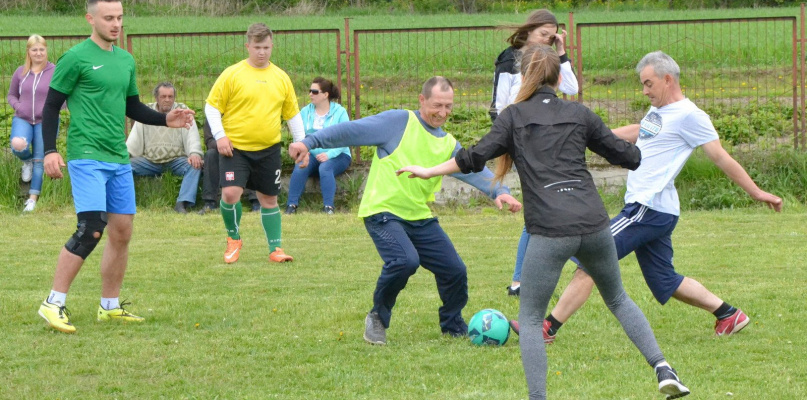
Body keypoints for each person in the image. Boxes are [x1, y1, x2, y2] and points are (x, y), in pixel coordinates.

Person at [398, 46, 690, 400]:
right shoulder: (579, 113)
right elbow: (630, 157)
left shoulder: (513, 116)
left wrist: (429, 170)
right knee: (618, 299)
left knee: (533, 320)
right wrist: (649, 132)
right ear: (556, 78)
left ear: (525, 76)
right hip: (594, 224)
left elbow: (473, 158)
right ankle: (663, 367)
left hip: (551, 231)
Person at [527, 50, 784, 344]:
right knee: (664, 280)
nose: (644, 90)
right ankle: (728, 314)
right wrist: (591, 134)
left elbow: (720, 157)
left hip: (647, 208)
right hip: (657, 210)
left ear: (667, 79)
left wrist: (757, 192)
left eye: (648, 84)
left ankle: (546, 328)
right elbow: (640, 131)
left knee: (591, 256)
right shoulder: (659, 111)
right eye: (643, 84)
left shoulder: (690, 116)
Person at [289, 76, 522, 346]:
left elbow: (470, 167)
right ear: (422, 100)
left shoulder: (447, 142)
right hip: (382, 212)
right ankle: (377, 317)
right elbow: (349, 130)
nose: (443, 113)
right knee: (405, 261)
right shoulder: (397, 122)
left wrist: (500, 191)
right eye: (437, 105)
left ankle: (452, 323)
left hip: (419, 217)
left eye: (449, 106)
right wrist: (309, 142)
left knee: (455, 270)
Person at [36, 0, 195, 334]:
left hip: (118, 157)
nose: (116, 24)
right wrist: (50, 150)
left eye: (120, 18)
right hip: (87, 154)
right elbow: (51, 107)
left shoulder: (126, 60)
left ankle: (109, 306)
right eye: (108, 18)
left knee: (121, 231)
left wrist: (167, 119)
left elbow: (133, 106)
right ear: (90, 19)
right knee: (92, 228)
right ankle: (53, 302)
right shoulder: (75, 58)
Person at [490, 9, 580, 297]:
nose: (547, 40)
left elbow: (572, 88)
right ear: (528, 31)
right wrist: (509, 141)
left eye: (552, 37)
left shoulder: (549, 60)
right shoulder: (509, 60)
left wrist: (562, 52)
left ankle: (524, 279)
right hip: (523, 143)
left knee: (548, 208)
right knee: (545, 208)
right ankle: (522, 279)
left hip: (551, 142)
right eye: (543, 34)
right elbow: (498, 105)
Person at [205, 22, 305, 264]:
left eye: (267, 47)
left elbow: (292, 114)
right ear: (247, 46)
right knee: (230, 194)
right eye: (257, 47)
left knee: (269, 199)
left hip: (268, 149)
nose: (262, 52)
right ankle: (233, 238)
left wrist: (302, 144)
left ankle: (276, 249)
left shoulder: (281, 77)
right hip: (235, 148)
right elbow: (211, 107)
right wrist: (220, 136)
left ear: (272, 46)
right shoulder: (232, 74)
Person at [126, 82, 203, 213]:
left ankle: (182, 203)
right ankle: (126, 202)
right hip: (148, 161)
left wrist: (194, 153)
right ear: (156, 97)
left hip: (176, 160)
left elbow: (192, 135)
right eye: (163, 96)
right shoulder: (147, 112)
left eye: (170, 96)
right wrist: (126, 154)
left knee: (195, 165)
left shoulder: (182, 110)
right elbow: (134, 138)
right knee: (123, 166)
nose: (167, 100)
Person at [7, 34, 61, 212]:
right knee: (18, 144)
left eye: (41, 49)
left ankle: (32, 199)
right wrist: (18, 106)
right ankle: (26, 161)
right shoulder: (20, 72)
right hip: (22, 118)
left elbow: (64, 94)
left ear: (46, 51)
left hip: (45, 121)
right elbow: (11, 95)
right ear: (28, 52)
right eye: (34, 50)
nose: (38, 53)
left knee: (41, 160)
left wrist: (60, 108)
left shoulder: (55, 72)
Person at [285, 77, 351, 215]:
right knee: (301, 166)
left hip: (338, 154)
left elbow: (345, 138)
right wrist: (304, 152)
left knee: (326, 168)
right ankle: (291, 205)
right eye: (310, 91)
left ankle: (328, 207)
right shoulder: (305, 111)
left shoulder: (340, 112)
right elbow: (300, 135)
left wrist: (329, 155)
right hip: (312, 154)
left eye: (314, 92)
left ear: (325, 95)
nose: (310, 94)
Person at [197, 119, 260, 215]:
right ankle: (210, 202)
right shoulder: (213, 115)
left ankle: (256, 201)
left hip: (244, 149)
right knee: (210, 154)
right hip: (220, 150)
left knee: (256, 152)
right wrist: (225, 146)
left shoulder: (244, 112)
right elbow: (209, 141)